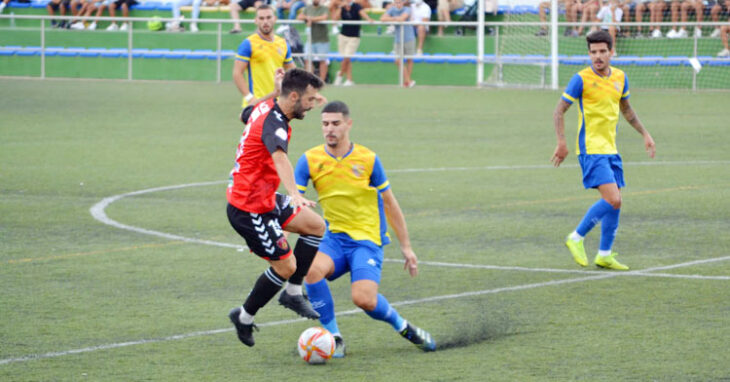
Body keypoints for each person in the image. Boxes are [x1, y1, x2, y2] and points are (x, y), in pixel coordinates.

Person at [297, 100, 436, 358]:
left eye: (336, 123)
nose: (330, 129)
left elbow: (390, 203)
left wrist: (406, 247)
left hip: (366, 241)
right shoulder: (309, 160)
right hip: (333, 240)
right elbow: (293, 201)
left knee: (364, 300)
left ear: (348, 124)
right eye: (325, 124)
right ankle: (334, 338)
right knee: (311, 270)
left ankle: (403, 327)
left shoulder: (368, 159)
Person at [227, 68, 328, 348]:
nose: (311, 104)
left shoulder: (267, 105)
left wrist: (275, 89)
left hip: (264, 197)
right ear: (293, 96)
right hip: (248, 207)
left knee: (315, 226)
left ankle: (293, 293)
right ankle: (244, 317)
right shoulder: (275, 123)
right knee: (286, 266)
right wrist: (294, 194)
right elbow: (280, 156)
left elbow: (243, 114)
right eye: (308, 99)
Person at [551, 30, 656, 271]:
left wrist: (645, 134)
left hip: (611, 149)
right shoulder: (581, 79)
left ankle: (604, 254)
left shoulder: (620, 77)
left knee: (616, 203)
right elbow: (558, 110)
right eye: (593, 52)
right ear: (589, 54)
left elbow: (627, 110)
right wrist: (562, 142)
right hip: (591, 149)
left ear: (611, 52)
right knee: (613, 198)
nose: (598, 56)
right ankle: (576, 237)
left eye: (602, 51)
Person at [233, 5, 297, 108]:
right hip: (257, 103)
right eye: (261, 18)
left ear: (275, 19)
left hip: (278, 104)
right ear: (256, 21)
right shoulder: (248, 43)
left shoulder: (283, 43)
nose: (265, 21)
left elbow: (294, 73)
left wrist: (311, 92)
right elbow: (237, 73)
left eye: (268, 17)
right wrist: (249, 98)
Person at [331, 0, 374, 86]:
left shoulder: (356, 6)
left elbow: (363, 14)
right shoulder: (342, 7)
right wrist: (340, 7)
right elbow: (335, 19)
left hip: (354, 37)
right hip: (343, 36)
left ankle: (339, 75)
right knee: (346, 59)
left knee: (347, 57)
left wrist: (369, 19)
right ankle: (349, 79)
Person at [381, 0, 417, 87]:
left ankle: (407, 82)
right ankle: (408, 80)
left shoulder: (407, 9)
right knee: (397, 60)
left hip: (409, 38)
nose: (398, 4)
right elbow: (382, 18)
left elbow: (402, 18)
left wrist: (392, 19)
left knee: (409, 60)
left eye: (400, 2)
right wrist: (395, 19)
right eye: (396, 2)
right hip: (398, 39)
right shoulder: (392, 9)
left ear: (403, 2)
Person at [298, 0, 330, 80]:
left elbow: (324, 17)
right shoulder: (307, 8)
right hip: (310, 40)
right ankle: (310, 81)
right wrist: (307, 18)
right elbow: (299, 17)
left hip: (322, 39)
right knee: (307, 60)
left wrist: (310, 19)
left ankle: (322, 81)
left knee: (322, 61)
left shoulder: (324, 8)